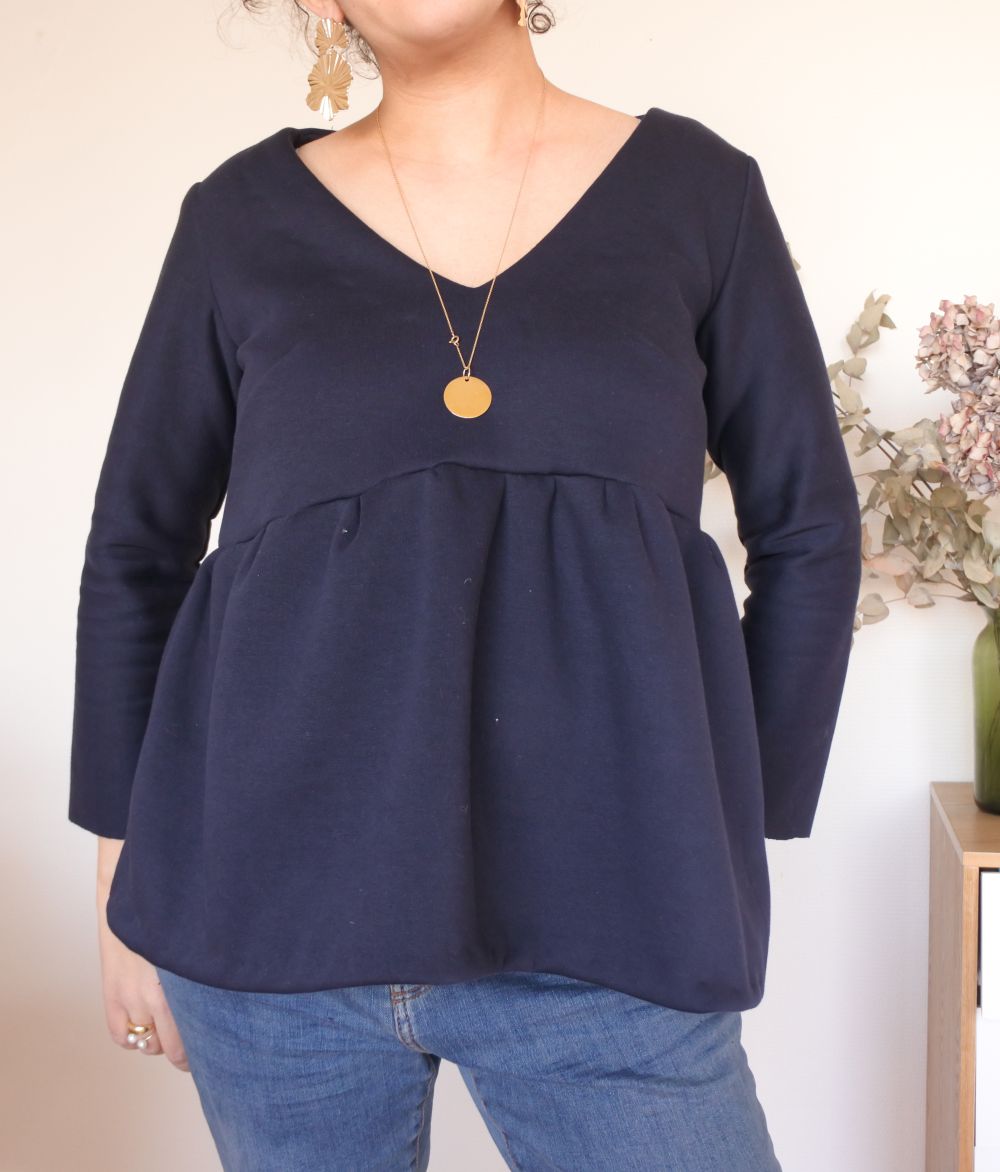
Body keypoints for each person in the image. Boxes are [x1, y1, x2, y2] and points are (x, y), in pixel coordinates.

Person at [68, 0, 862, 1168]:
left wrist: (732, 804)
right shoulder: (235, 219)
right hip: (268, 927)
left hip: (608, 920)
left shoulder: (701, 194)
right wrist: (121, 869)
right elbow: (137, 547)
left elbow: (809, 528)